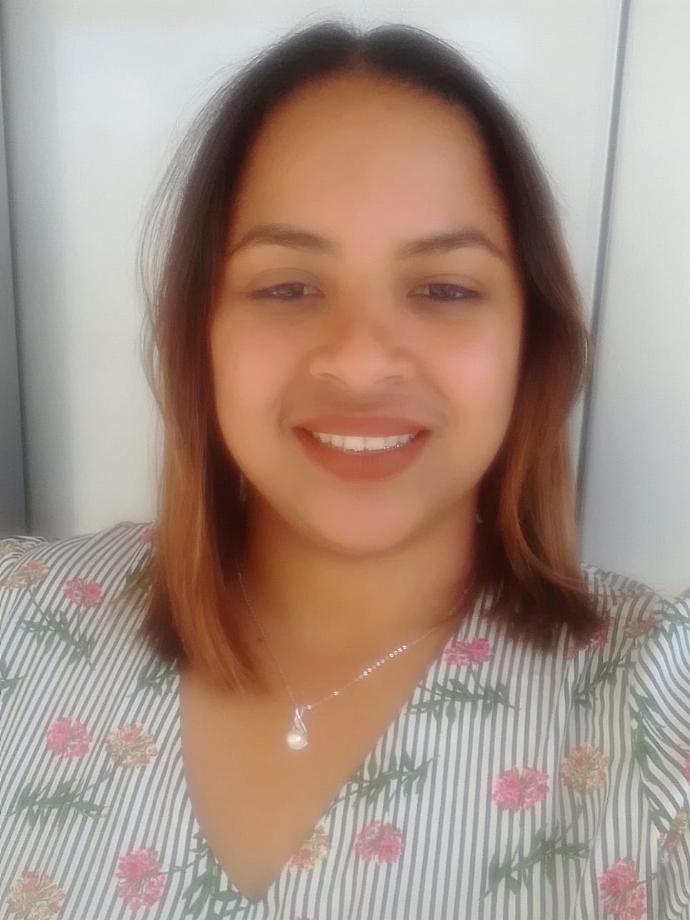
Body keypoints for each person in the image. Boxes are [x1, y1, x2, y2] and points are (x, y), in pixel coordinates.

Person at [0, 19, 688, 920]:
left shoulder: (655, 709)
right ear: (201, 337)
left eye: (444, 289)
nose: (360, 361)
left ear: (532, 343)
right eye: (287, 287)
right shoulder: (18, 621)